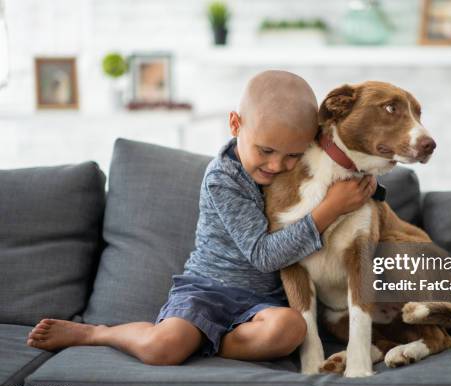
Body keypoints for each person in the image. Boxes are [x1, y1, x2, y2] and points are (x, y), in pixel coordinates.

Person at [26, 70, 377, 365]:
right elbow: (264, 255)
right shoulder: (222, 177)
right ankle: (99, 333)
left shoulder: (297, 172)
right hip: (207, 290)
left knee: (290, 331)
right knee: (162, 349)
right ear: (235, 124)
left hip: (264, 305)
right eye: (266, 151)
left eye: (292, 155)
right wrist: (329, 208)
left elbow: (341, 165)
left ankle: (207, 341)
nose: (276, 166)